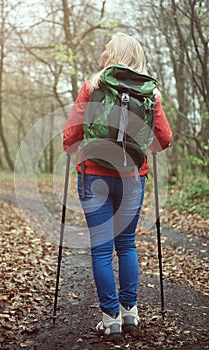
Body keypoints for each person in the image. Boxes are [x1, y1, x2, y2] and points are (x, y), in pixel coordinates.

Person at [63, 32, 172, 341]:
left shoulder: (92, 87)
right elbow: (165, 140)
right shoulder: (151, 94)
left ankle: (110, 319)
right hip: (132, 178)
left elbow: (69, 136)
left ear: (111, 56)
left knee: (101, 248)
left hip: (94, 174)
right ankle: (131, 313)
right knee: (126, 245)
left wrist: (73, 146)